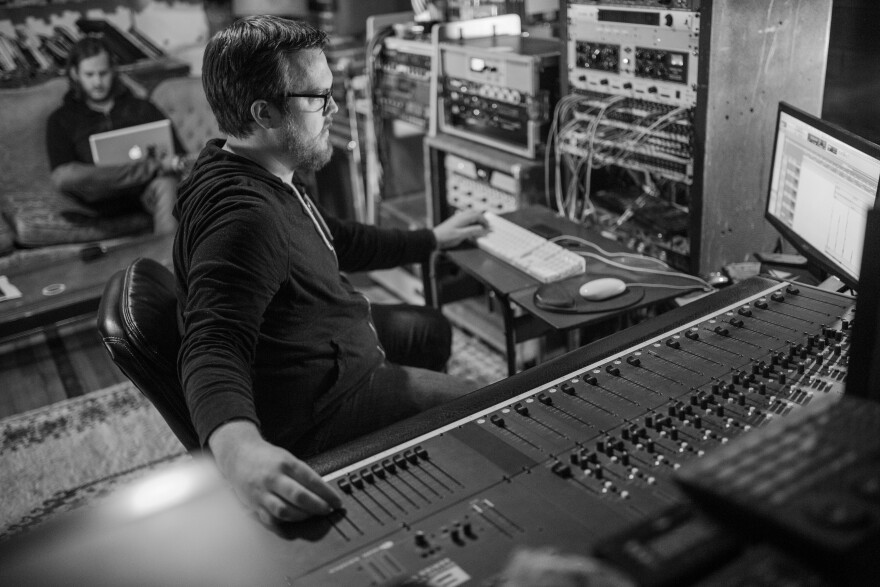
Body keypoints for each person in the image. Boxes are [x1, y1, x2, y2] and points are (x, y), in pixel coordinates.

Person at [174, 15, 489, 527]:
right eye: (319, 97)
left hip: (325, 344)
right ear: (264, 112)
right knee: (494, 413)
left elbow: (332, 236)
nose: (334, 108)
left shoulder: (252, 167)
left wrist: (431, 239)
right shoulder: (244, 217)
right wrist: (238, 451)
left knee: (429, 329)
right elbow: (213, 342)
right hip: (325, 407)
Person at [46, 35, 186, 235]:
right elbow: (62, 177)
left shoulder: (141, 108)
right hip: (98, 196)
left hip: (143, 194)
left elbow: (178, 156)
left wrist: (168, 164)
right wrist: (152, 166)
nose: (97, 82)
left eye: (103, 73)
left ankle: (170, 260)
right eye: (89, 74)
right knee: (65, 175)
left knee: (167, 183)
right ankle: (150, 167)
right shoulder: (61, 119)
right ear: (75, 74)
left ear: (113, 70)